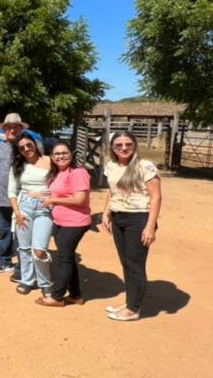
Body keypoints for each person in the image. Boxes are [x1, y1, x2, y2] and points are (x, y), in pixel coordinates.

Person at [101, 132, 162, 322]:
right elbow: (112, 192)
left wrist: (150, 226)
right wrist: (106, 212)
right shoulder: (111, 166)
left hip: (139, 219)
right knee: (126, 263)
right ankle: (130, 301)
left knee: (135, 265)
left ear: (135, 145)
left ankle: (133, 308)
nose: (124, 148)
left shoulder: (146, 166)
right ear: (112, 147)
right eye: (119, 145)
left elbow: (156, 197)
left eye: (128, 144)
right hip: (119, 218)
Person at [42, 140, 92, 307]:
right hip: (60, 221)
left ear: (71, 154)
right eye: (56, 154)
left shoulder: (77, 172)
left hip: (75, 222)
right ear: (52, 156)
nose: (60, 156)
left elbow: (80, 199)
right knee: (68, 257)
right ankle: (76, 294)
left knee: (63, 258)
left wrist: (52, 200)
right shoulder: (59, 172)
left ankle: (57, 296)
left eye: (64, 153)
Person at [9, 132, 53, 297]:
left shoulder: (49, 161)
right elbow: (11, 191)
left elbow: (60, 182)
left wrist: (50, 196)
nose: (27, 149)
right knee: (25, 249)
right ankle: (27, 280)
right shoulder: (18, 166)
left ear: (35, 144)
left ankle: (45, 282)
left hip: (45, 208)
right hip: (24, 207)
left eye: (29, 145)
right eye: (22, 148)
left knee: (39, 249)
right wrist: (17, 213)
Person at [0, 113, 27, 278]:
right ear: (4, 129)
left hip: (20, 198)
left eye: (15, 127)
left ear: (20, 129)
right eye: (8, 127)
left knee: (20, 233)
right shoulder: (0, 146)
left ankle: (22, 267)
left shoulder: (25, 147)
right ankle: (5, 261)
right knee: (4, 230)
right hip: (3, 196)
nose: (11, 130)